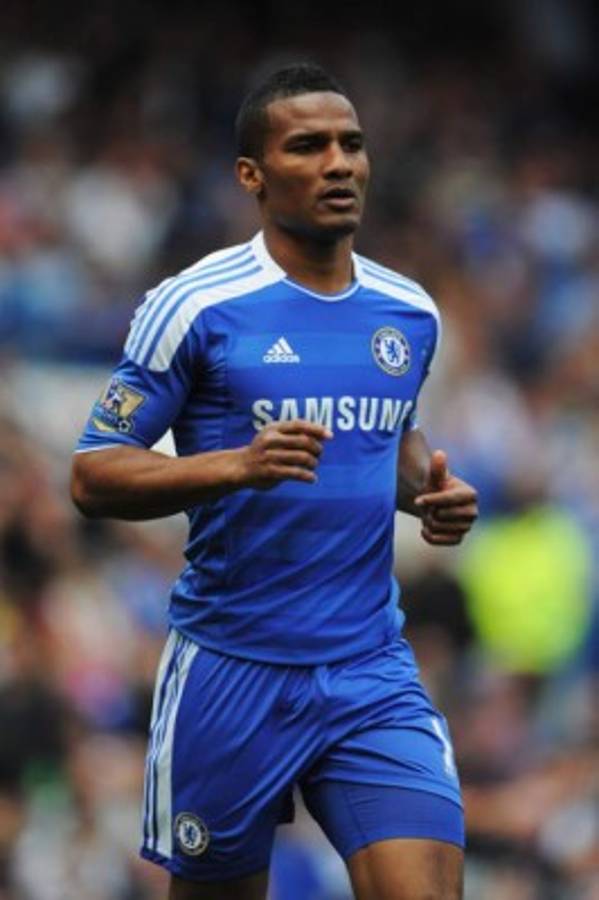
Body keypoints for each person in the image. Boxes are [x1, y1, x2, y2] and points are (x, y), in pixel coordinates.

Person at [71, 62, 478, 900]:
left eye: (351, 145)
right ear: (251, 176)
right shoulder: (195, 305)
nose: (338, 164)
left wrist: (427, 493)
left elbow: (388, 440)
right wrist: (236, 466)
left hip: (368, 667)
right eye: (307, 146)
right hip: (231, 669)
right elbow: (92, 472)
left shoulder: (408, 312)